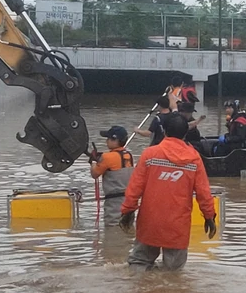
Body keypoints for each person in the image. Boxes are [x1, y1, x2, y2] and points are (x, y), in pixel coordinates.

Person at [120, 115, 217, 271]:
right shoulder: (194, 159)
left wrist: (127, 211)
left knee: (139, 264)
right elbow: (203, 193)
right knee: (173, 273)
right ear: (185, 134)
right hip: (178, 225)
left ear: (164, 131)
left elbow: (134, 188)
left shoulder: (150, 154)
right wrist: (209, 216)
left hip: (149, 221)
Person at [89, 126, 135, 227]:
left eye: (108, 138)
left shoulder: (107, 157)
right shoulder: (129, 155)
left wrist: (93, 161)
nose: (106, 141)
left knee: (113, 229)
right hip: (129, 200)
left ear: (115, 140)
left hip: (115, 202)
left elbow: (95, 174)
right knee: (128, 228)